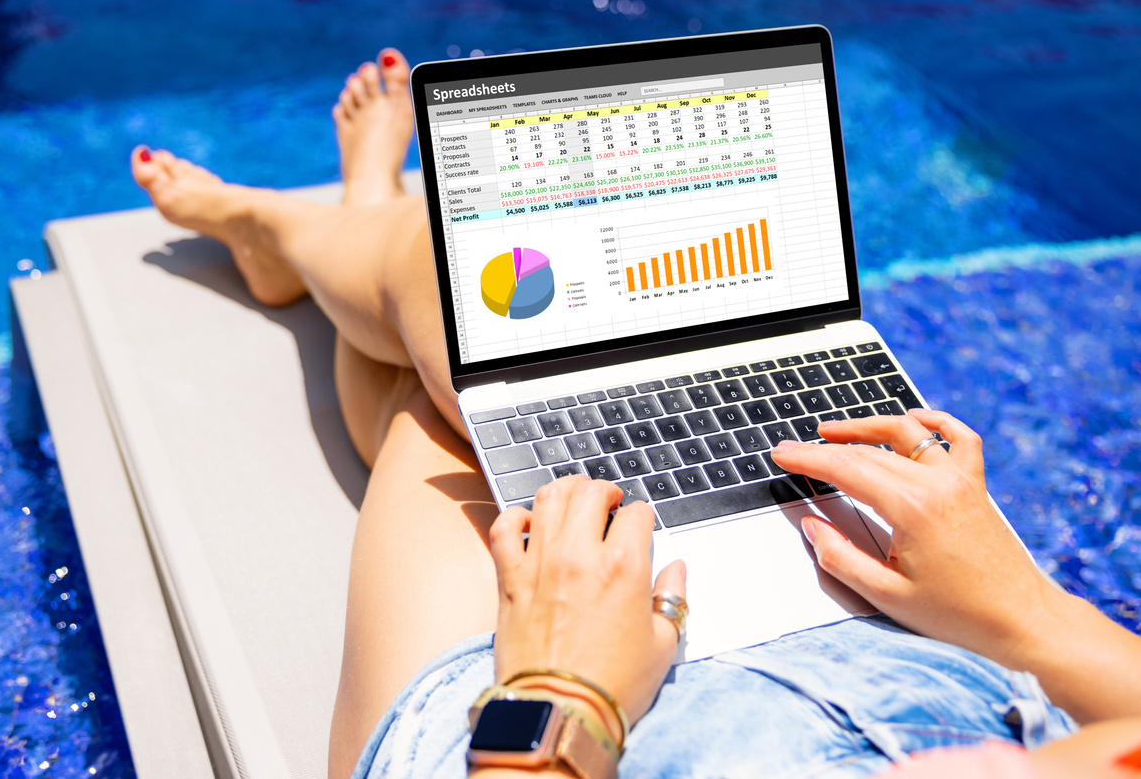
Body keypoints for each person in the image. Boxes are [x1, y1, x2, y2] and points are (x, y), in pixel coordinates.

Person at [130, 48, 1141, 779]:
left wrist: (563, 704)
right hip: (943, 671)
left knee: (473, 369)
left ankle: (300, 221)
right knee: (500, 381)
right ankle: (335, 222)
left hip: (545, 736)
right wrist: (1027, 610)